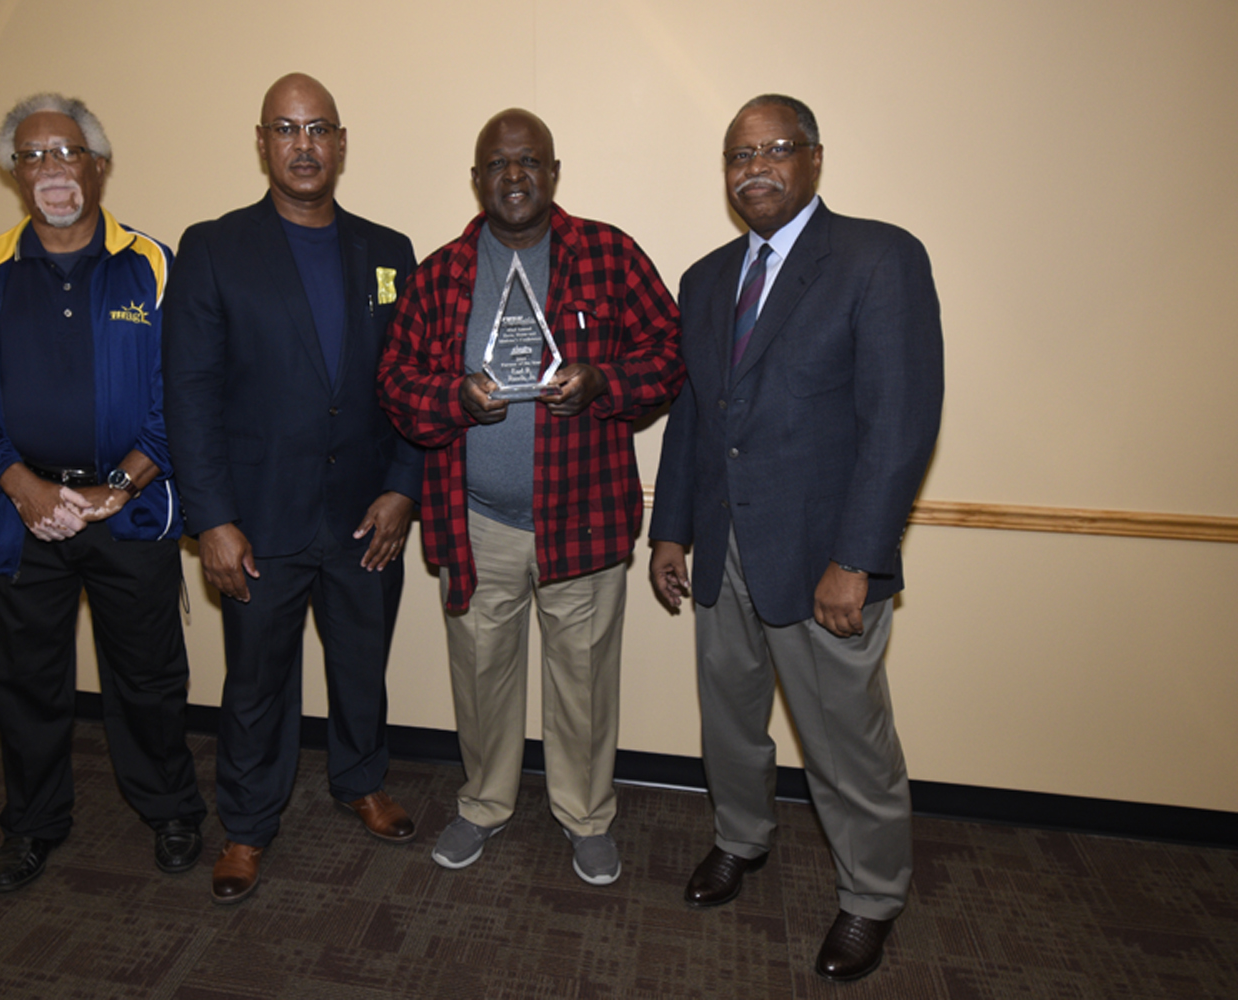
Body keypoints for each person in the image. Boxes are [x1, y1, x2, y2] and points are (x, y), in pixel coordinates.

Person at [649, 94, 944, 980]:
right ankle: (742, 839)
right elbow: (696, 419)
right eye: (740, 153)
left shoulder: (877, 258)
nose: (756, 167)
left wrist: (857, 558)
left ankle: (871, 896)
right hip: (724, 553)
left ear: (815, 159)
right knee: (730, 723)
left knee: (847, 739)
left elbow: (899, 422)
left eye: (776, 149)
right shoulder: (706, 279)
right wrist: (670, 532)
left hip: (825, 560)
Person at [378, 109, 683, 886]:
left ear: (554, 172)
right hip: (475, 525)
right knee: (482, 680)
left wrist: (605, 384)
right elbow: (395, 382)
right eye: (497, 164)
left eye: (529, 162)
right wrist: (453, 397)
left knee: (582, 682)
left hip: (580, 518)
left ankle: (586, 816)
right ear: (476, 179)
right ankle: (483, 804)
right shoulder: (443, 271)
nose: (514, 177)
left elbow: (670, 354)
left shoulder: (608, 256)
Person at [162, 73, 423, 905]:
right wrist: (213, 520)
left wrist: (404, 489)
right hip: (258, 522)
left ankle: (361, 781)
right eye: (286, 129)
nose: (304, 145)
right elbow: (190, 394)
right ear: (263, 142)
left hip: (365, 519)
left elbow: (414, 385)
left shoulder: (389, 252)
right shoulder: (212, 246)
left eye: (319, 129)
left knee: (360, 667)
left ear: (341, 143)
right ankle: (245, 826)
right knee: (256, 684)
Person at [0, 93, 207, 893]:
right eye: (32, 156)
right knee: (23, 685)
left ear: (98, 163)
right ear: (13, 174)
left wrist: (118, 485)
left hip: (132, 513)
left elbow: (183, 397)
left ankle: (171, 810)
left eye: (66, 152)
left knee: (150, 680)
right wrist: (23, 488)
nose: (52, 169)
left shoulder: (154, 266)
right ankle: (32, 824)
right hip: (20, 520)